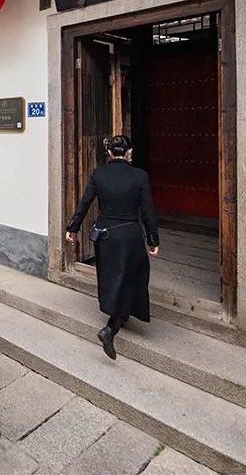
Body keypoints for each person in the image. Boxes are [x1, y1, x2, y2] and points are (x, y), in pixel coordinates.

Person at [65, 134, 160, 360]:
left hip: (106, 234)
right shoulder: (139, 176)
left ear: (109, 152)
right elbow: (147, 210)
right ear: (129, 152)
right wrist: (153, 239)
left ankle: (115, 318)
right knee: (133, 275)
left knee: (110, 274)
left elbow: (85, 203)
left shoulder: (99, 174)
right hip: (129, 234)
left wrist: (73, 227)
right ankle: (112, 326)